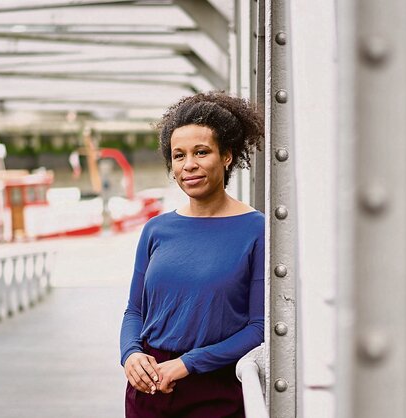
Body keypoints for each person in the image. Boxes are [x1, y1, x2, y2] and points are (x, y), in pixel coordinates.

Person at [119, 91, 265, 417]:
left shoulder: (257, 229)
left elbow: (259, 327)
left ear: (227, 156)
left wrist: (188, 363)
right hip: (149, 386)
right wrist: (130, 354)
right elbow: (134, 311)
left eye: (201, 152)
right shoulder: (155, 230)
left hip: (215, 387)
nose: (189, 165)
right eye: (179, 155)